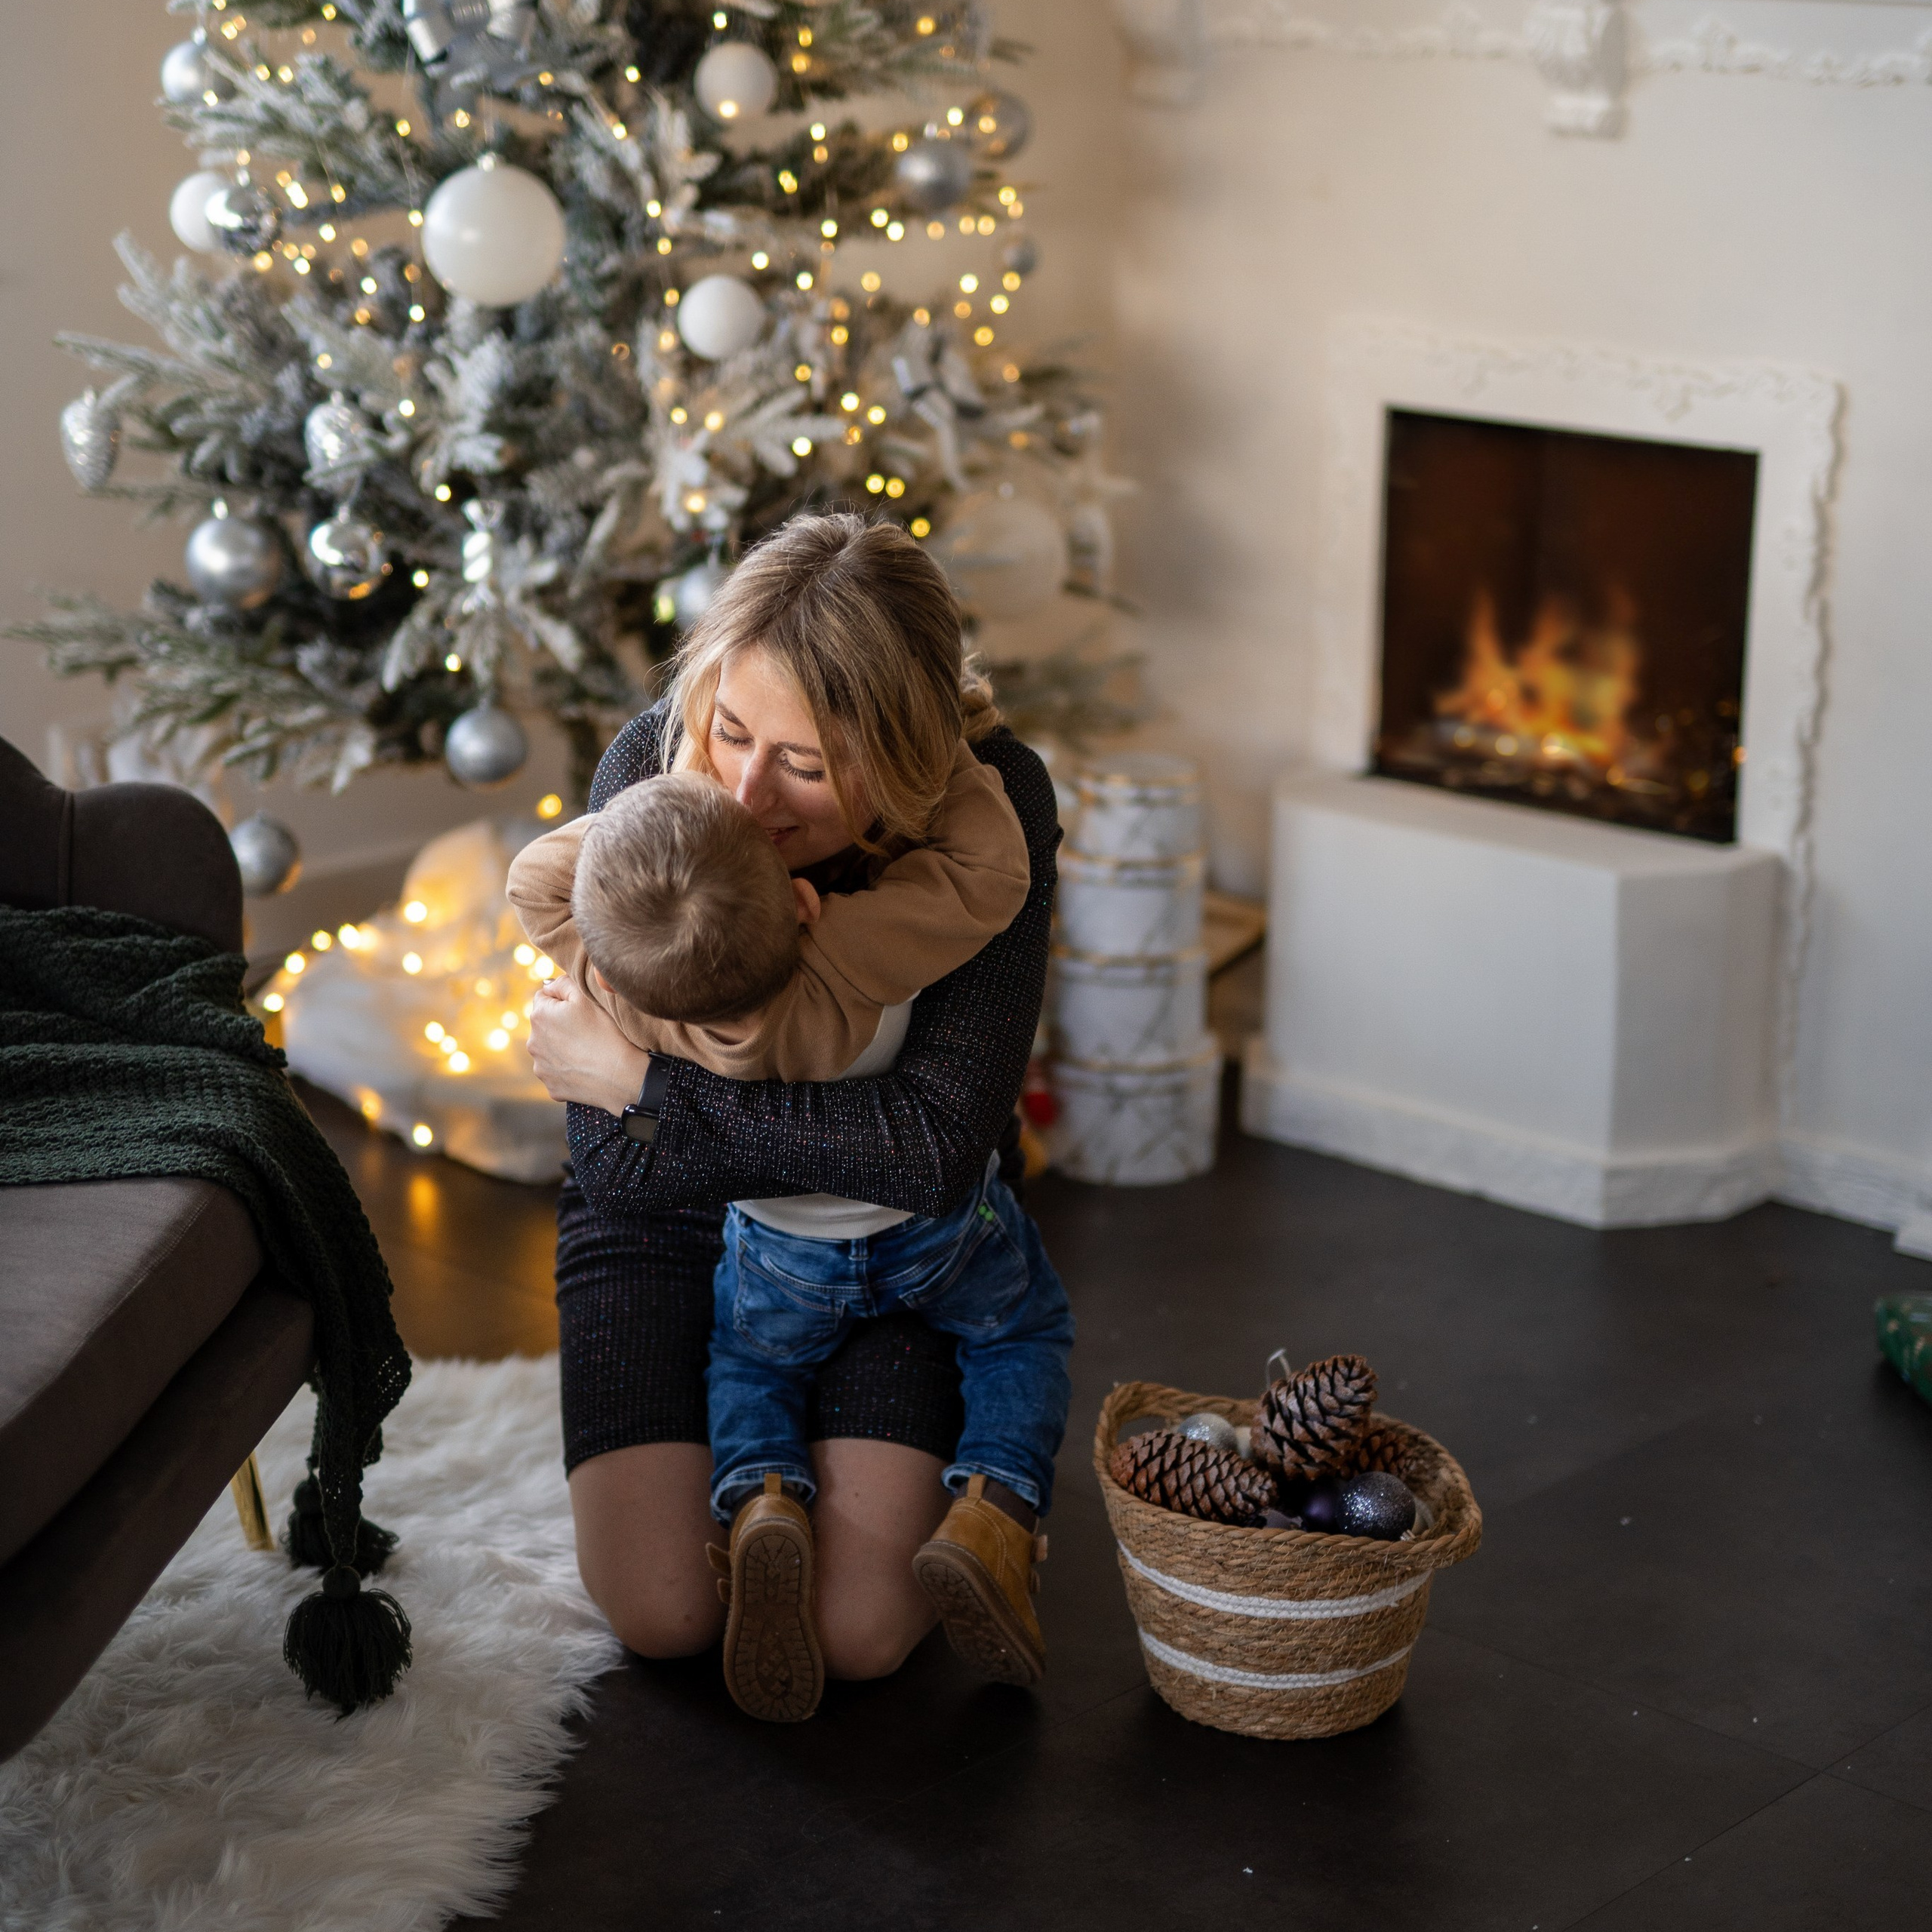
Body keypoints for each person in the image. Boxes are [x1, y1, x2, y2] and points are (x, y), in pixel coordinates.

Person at [524, 512, 1072, 1720]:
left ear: (910, 758)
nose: (750, 796)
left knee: (864, 1636)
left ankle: (862, 1491)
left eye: (811, 768)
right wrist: (655, 1119)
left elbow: (936, 1150)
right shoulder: (646, 785)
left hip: (905, 1245)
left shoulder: (996, 813)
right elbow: (617, 1170)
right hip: (670, 1230)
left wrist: (648, 1087)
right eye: (731, 732)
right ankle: (768, 1485)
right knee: (663, 1612)